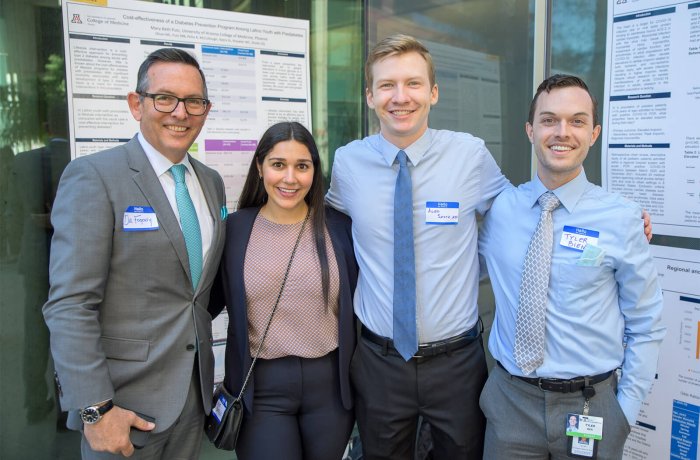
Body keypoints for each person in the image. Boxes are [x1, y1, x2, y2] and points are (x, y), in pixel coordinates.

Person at [326, 34, 509, 459]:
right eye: (387, 85)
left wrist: (606, 220)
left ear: (433, 92)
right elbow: (321, 227)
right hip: (378, 361)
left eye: (412, 83)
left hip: (457, 363)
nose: (400, 97)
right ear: (370, 96)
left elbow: (521, 213)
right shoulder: (348, 163)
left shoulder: (470, 156)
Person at [43, 48, 226, 459]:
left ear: (205, 110)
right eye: (165, 98)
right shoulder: (94, 177)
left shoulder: (210, 183)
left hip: (191, 401)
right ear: (136, 104)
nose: (180, 112)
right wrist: (96, 410)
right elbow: (70, 304)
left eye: (193, 101)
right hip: (121, 409)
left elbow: (194, 293)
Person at [478, 74, 665, 459]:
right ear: (530, 130)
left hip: (590, 406)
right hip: (510, 403)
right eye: (549, 120)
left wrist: (624, 412)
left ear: (594, 133)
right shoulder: (501, 209)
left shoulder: (622, 218)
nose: (562, 132)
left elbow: (646, 323)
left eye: (577, 121)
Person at [209, 122, 357, 460]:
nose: (290, 178)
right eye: (278, 165)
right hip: (260, 388)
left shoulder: (339, 228)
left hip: (331, 387)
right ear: (260, 167)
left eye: (301, 166)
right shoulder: (235, 230)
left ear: (314, 172)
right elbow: (204, 304)